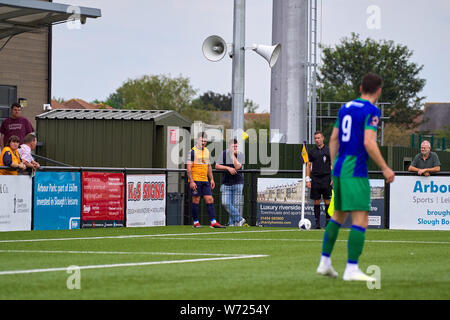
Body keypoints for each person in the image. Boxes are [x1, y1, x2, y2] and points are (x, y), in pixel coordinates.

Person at [316, 73, 395, 282]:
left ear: (361, 88)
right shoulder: (372, 111)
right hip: (355, 170)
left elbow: (333, 139)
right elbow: (369, 143)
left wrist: (334, 165)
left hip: (340, 167)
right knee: (361, 218)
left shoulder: (345, 107)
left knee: (339, 216)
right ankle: (351, 269)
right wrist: (386, 168)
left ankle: (325, 262)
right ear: (378, 90)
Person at [187, 132, 225, 228]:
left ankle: (213, 222)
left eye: (205, 141)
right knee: (196, 200)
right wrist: (191, 181)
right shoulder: (192, 152)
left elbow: (209, 166)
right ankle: (196, 222)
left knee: (210, 199)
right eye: (201, 140)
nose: (203, 142)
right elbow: (188, 168)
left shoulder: (207, 151)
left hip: (205, 180)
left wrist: (211, 179)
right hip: (195, 179)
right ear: (197, 140)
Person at [215, 138, 246, 226]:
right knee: (225, 203)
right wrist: (228, 168)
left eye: (236, 146)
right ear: (229, 146)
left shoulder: (240, 154)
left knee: (236, 205)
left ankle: (231, 224)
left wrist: (232, 156)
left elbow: (237, 167)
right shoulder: (223, 153)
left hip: (238, 183)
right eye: (233, 146)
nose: (235, 148)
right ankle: (240, 219)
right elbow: (217, 166)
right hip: (226, 183)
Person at [306, 131, 332, 229]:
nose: (317, 140)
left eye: (318, 138)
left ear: (323, 138)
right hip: (316, 178)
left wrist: (333, 178)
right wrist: (308, 179)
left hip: (326, 178)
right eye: (315, 138)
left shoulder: (329, 150)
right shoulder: (312, 152)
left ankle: (328, 223)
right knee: (316, 201)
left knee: (327, 201)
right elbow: (308, 166)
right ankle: (317, 223)